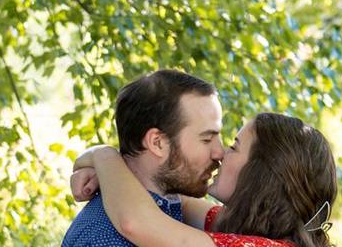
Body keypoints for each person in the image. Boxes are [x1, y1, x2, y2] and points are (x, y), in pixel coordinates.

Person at [72, 112, 337, 247]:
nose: (220, 153)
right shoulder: (244, 225)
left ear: (261, 174)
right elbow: (158, 190)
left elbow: (136, 222)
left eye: (234, 146)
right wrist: (101, 166)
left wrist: (103, 154)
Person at [60, 69, 225, 246]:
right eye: (207, 139)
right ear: (157, 143)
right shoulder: (105, 239)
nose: (220, 153)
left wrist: (101, 156)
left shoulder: (169, 204)